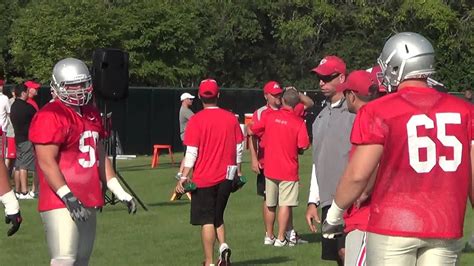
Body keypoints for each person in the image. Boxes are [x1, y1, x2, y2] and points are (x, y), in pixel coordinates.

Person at [322, 32, 474, 265]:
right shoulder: (464, 111)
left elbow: (358, 174)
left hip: (394, 223)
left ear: (397, 65)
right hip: (445, 222)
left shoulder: (378, 110)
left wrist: (334, 214)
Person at [29, 58, 137, 265]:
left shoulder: (91, 113)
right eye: (71, 85)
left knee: (81, 261)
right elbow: (46, 162)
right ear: (56, 87)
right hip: (60, 200)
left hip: (88, 196)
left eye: (81, 84)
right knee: (64, 259)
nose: (78, 90)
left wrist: (120, 191)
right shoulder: (50, 115)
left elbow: (99, 157)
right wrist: (67, 196)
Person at [175, 78, 244, 266]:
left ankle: (209, 262)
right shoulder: (231, 118)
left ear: (199, 96)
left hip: (204, 178)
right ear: (218, 95)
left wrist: (183, 176)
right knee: (218, 215)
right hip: (227, 177)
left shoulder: (196, 120)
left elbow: (191, 153)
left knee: (206, 220)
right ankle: (223, 246)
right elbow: (239, 146)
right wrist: (238, 170)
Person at [249, 81, 313, 246]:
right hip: (285, 167)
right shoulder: (295, 120)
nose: (277, 97)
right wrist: (254, 158)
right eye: (274, 94)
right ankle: (280, 237)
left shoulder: (269, 116)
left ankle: (275, 237)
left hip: (270, 166)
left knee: (270, 203)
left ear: (283, 99)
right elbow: (304, 145)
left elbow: (250, 130)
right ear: (266, 96)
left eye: (279, 94)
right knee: (284, 203)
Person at [305, 55, 354, 265]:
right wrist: (312, 200)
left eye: (327, 77)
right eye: (319, 78)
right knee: (336, 255)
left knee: (348, 253)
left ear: (341, 78)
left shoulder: (355, 113)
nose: (321, 82)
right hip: (328, 201)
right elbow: (318, 161)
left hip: (351, 198)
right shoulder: (319, 118)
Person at [335, 70, 380, 266]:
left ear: (351, 95)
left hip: (367, 218)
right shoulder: (382, 113)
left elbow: (376, 161)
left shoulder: (367, 116)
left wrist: (363, 192)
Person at [10, 83, 36, 200]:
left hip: (17, 138)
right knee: (24, 166)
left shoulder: (14, 106)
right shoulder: (28, 108)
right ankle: (25, 191)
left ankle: (17, 189)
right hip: (26, 139)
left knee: (19, 165)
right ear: (24, 93)